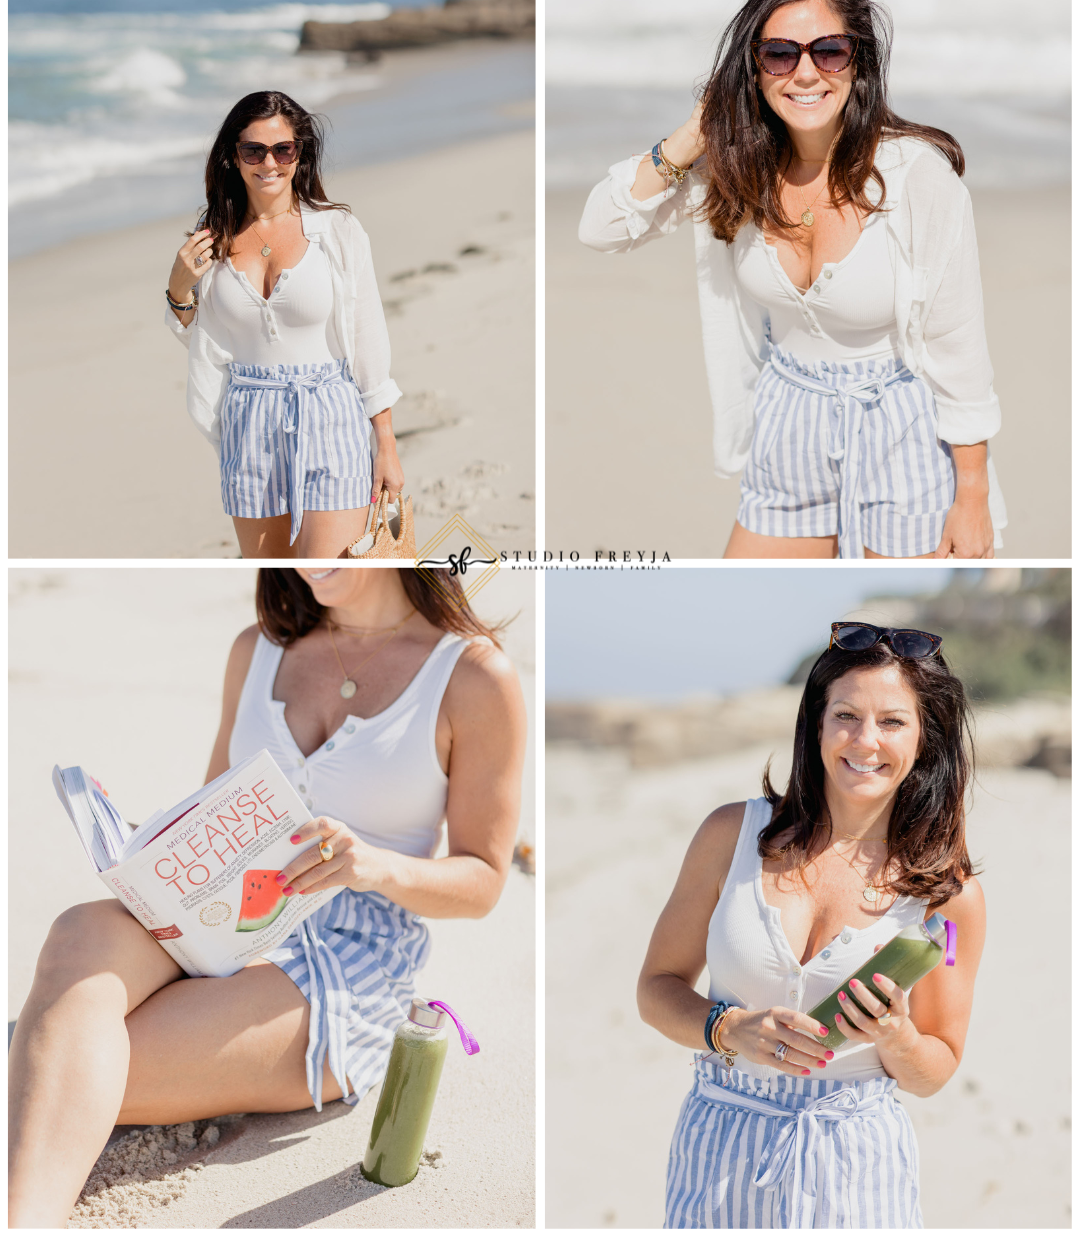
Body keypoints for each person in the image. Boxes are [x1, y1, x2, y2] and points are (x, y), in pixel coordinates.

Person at [8, 567, 526, 1227]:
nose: (315, 559)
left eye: (336, 539)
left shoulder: (475, 675)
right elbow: (212, 810)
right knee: (80, 933)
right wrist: (143, 845)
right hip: (217, 916)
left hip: (345, 959)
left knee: (50, 1065)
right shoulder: (256, 650)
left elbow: (482, 881)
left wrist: (373, 867)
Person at [579, 0, 1006, 560]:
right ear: (752, 68)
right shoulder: (732, 170)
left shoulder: (916, 177)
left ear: (858, 62)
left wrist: (974, 494)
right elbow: (599, 227)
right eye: (780, 54)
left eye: (829, 51)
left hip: (902, 426)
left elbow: (959, 344)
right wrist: (695, 134)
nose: (806, 73)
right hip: (788, 418)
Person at [638, 621, 985, 1228]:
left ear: (925, 740)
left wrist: (897, 1037)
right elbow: (656, 989)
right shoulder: (731, 834)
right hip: (718, 1147)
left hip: (856, 1163)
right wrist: (729, 1027)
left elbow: (937, 1067)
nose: (866, 740)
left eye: (893, 722)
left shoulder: (948, 897)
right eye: (846, 715)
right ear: (816, 725)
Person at [165, 90, 404, 559]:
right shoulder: (213, 239)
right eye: (254, 150)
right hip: (249, 415)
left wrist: (387, 443)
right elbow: (201, 338)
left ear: (300, 154)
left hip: (331, 410)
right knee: (276, 581)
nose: (268, 163)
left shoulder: (338, 231)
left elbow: (368, 334)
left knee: (328, 575)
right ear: (234, 158)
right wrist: (178, 289)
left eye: (283, 149)